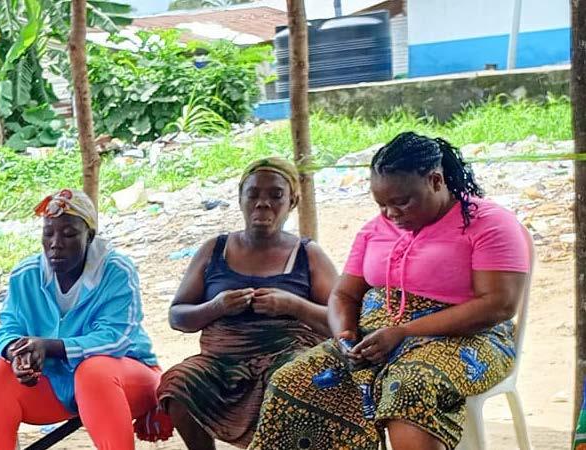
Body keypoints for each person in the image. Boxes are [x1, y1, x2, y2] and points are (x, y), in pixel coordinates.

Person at [248, 132, 531, 450]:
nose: (391, 214)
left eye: (401, 202)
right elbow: (344, 295)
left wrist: (404, 332)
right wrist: (345, 336)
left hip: (468, 338)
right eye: (382, 204)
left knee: (409, 386)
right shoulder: (375, 229)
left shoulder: (487, 222)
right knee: (292, 381)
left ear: (435, 181)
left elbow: (498, 304)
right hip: (377, 339)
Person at [157, 156, 337, 449]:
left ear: (292, 201)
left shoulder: (307, 254)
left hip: (286, 357)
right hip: (221, 363)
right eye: (253, 194)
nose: (263, 203)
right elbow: (177, 316)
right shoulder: (214, 249)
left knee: (293, 380)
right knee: (178, 383)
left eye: (276, 195)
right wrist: (216, 307)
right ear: (240, 199)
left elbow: (342, 320)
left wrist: (293, 306)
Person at [0, 189, 168, 450]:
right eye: (48, 233)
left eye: (68, 234)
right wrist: (18, 353)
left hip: (124, 380)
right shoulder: (26, 275)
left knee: (94, 372)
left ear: (89, 236)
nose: (55, 243)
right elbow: (9, 328)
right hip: (54, 385)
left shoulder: (116, 271)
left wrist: (49, 347)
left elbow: (116, 339)